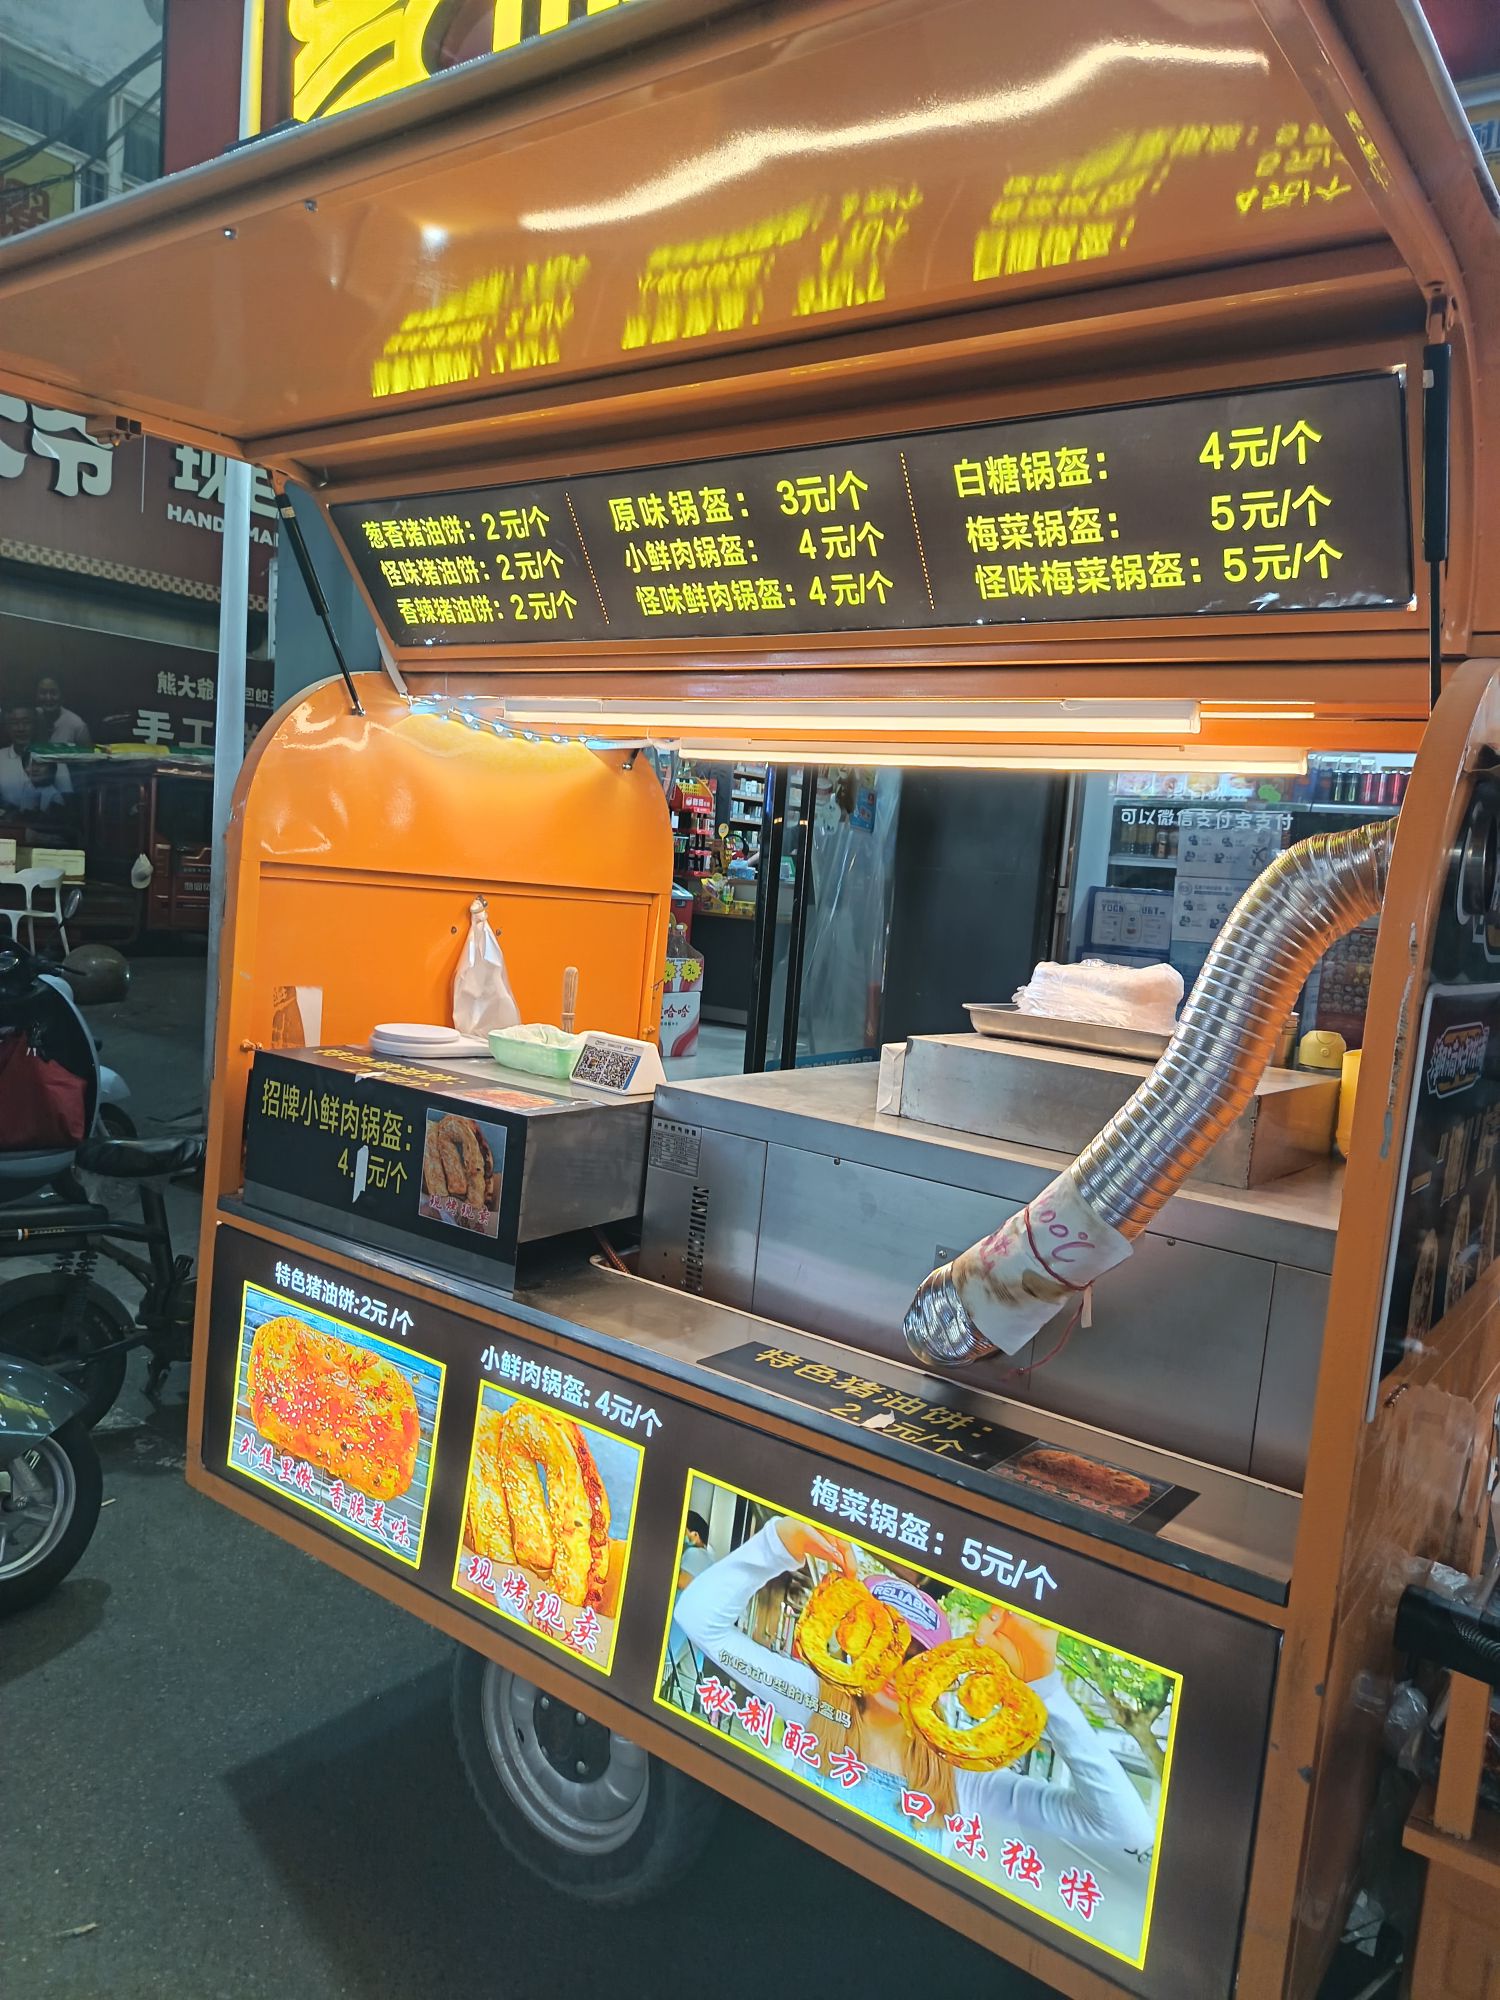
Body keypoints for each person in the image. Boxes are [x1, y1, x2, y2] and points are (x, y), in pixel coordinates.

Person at [674, 1514, 1156, 1859]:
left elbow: (1127, 1829)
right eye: (881, 1640)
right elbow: (698, 1619)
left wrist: (1046, 1688)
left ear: (939, 1674)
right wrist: (776, 1544)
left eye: (915, 1656)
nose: (895, 1666)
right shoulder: (813, 1700)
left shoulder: (960, 1776)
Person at [663, 1511, 714, 1700]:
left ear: (695, 1535)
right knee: (684, 1689)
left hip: (678, 1630)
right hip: (695, 1633)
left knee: (659, 1677)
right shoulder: (710, 1559)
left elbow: (682, 1581)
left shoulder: (695, 1554)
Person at [0, 706, 72, 811]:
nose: (21, 728)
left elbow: (67, 802)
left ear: (35, 725)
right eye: (14, 723)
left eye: (27, 722)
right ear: (6, 727)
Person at [33, 678, 90, 750]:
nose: (48, 698)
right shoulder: (30, 718)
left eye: (53, 693)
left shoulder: (78, 726)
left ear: (62, 695)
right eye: (43, 693)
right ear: (36, 695)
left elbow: (88, 755)